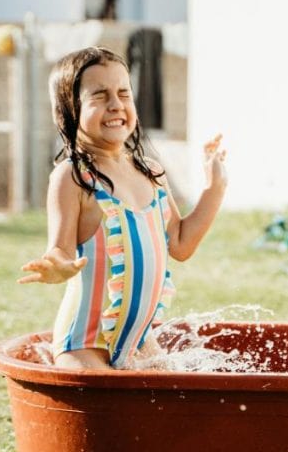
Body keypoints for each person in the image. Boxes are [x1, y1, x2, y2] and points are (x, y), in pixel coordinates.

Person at [18, 46, 227, 369]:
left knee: (177, 402)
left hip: (140, 342)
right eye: (99, 96)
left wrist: (215, 187)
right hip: (84, 344)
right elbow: (59, 248)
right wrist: (58, 266)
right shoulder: (74, 177)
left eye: (123, 94)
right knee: (105, 405)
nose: (116, 105)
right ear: (71, 109)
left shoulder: (151, 172)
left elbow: (181, 244)